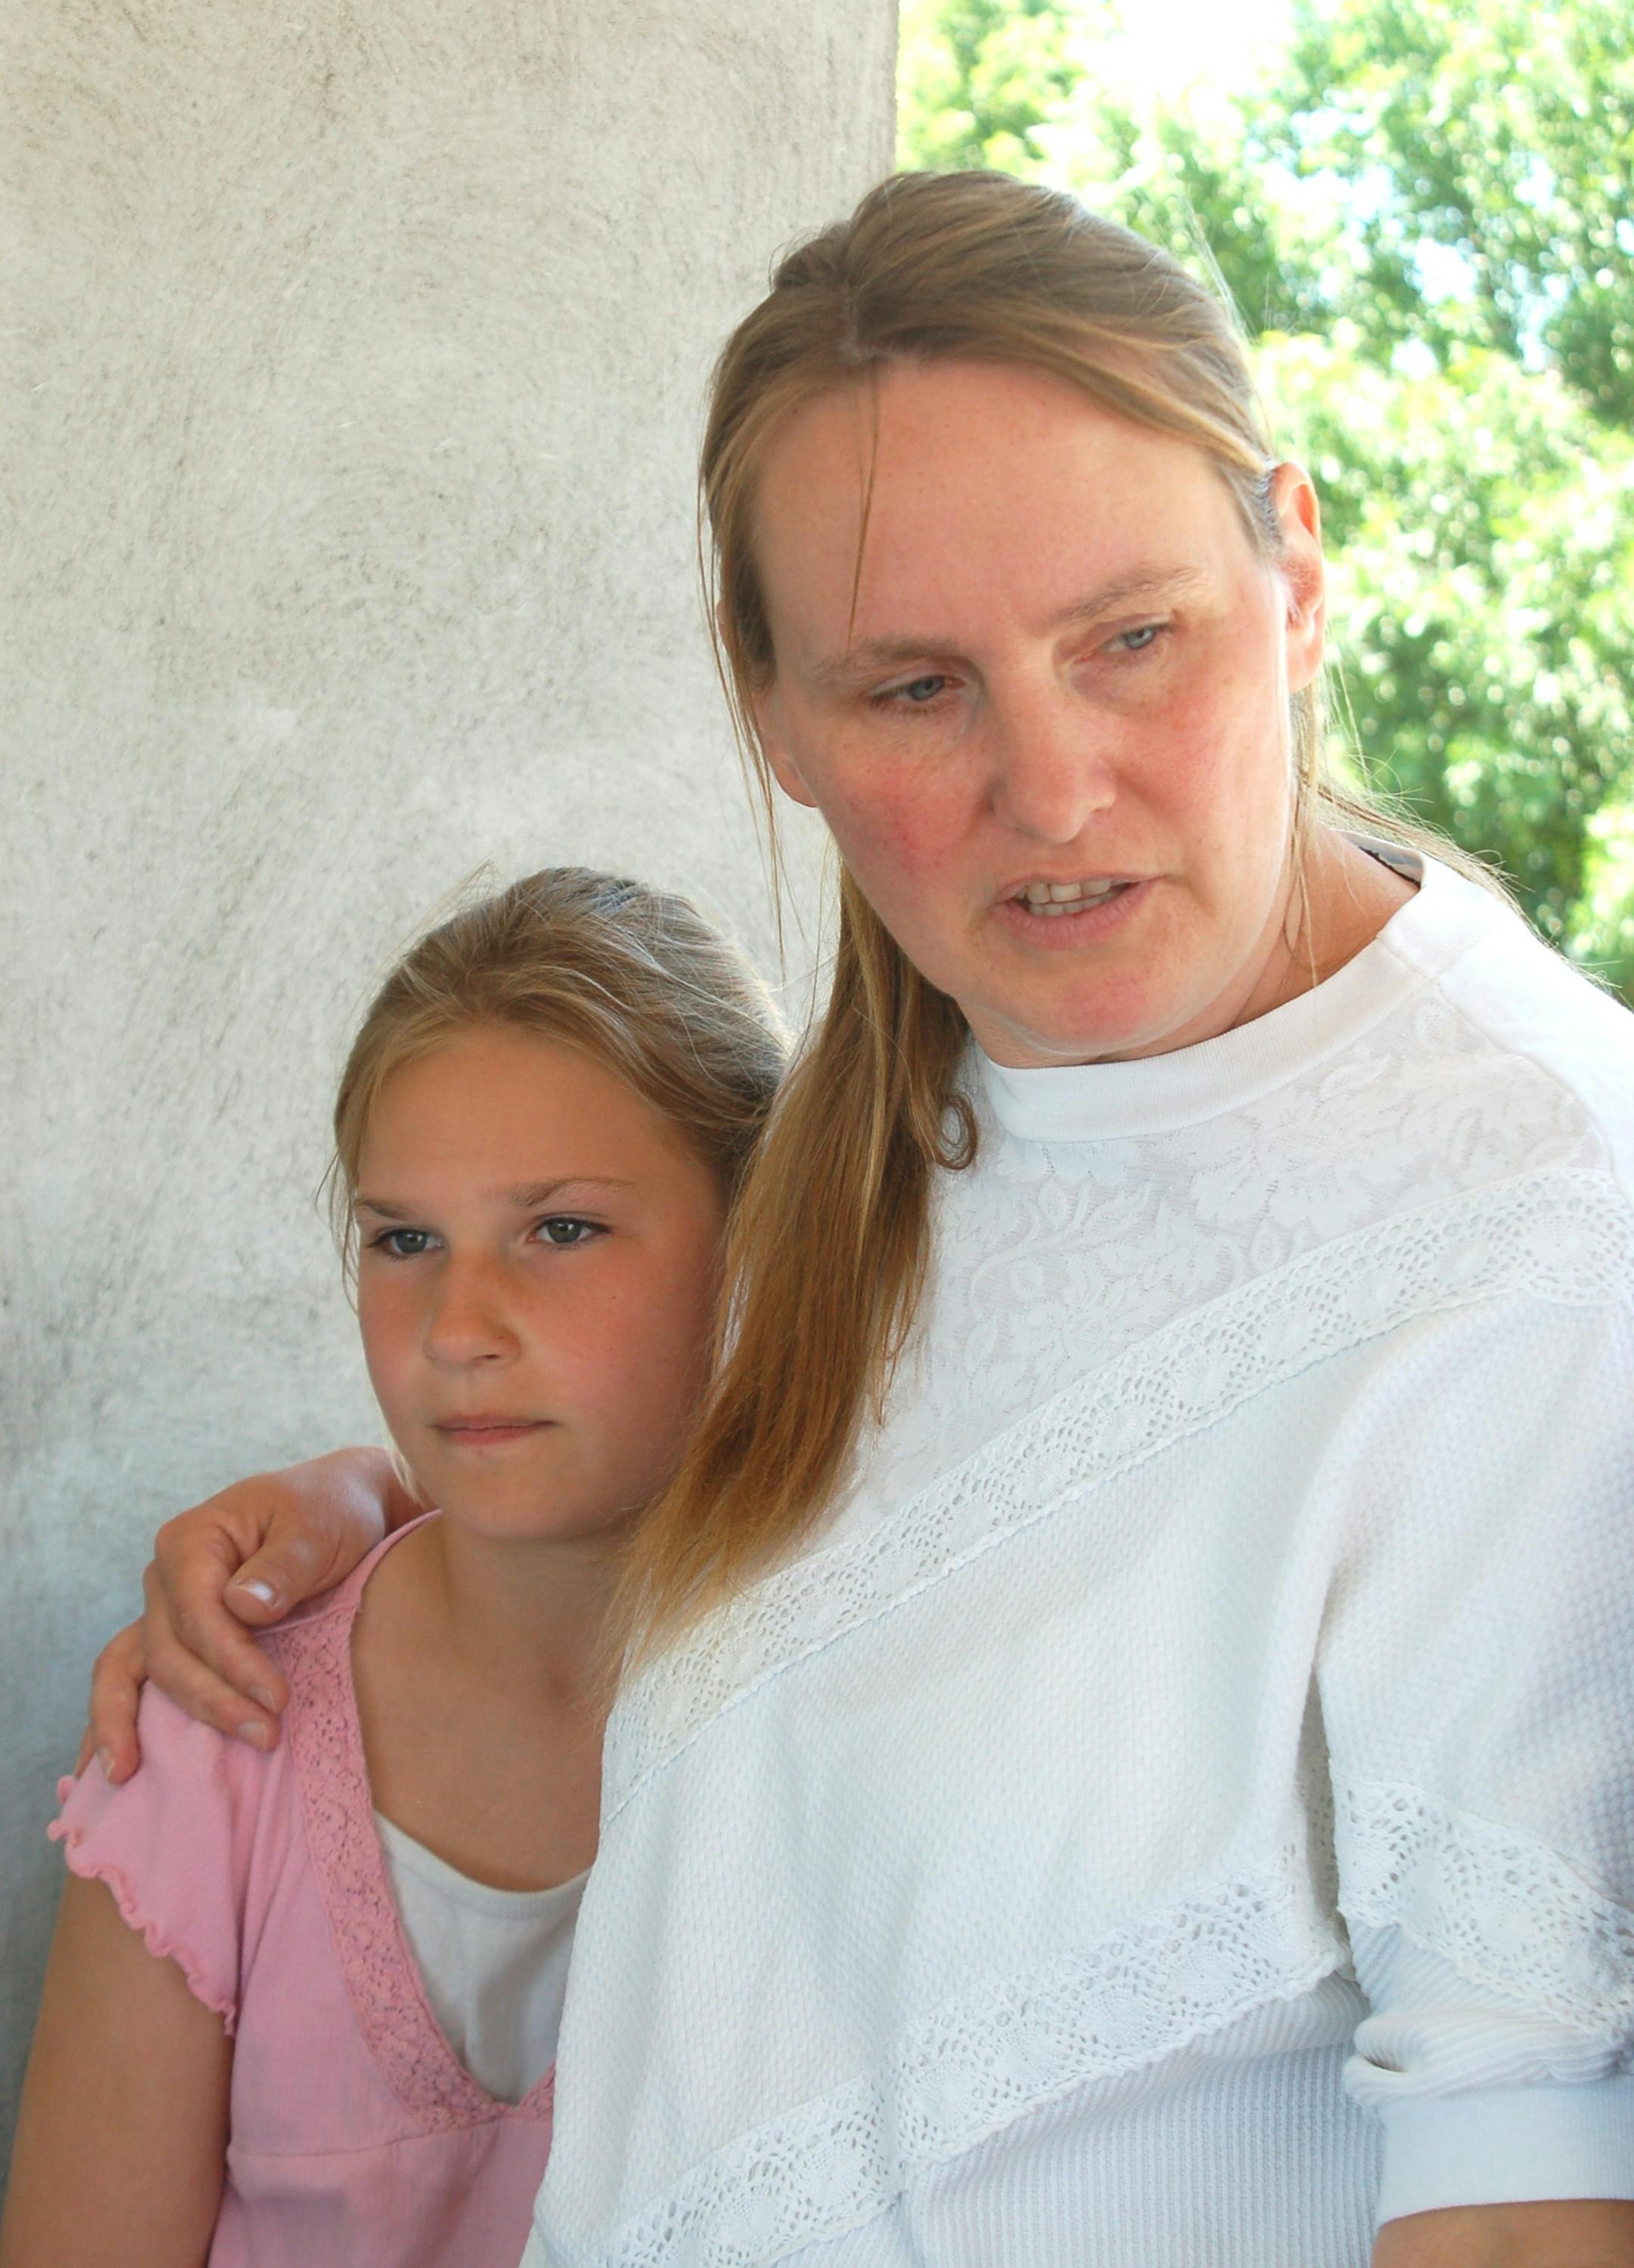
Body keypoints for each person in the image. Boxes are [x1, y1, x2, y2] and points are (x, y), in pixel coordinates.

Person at [80, 172, 1634, 2268]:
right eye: (915, 686)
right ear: (775, 712)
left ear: (1296, 573)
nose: (1056, 782)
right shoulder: (883, 1141)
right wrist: (344, 1502)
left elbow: (1530, 2154)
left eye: (1134, 636)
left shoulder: (1544, 1237)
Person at [3, 868, 783, 2268]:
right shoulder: (215, 1726)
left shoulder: (846, 1714)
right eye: (404, 1239)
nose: (459, 1325)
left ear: (758, 1240)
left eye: (561, 1228)